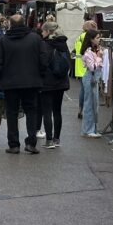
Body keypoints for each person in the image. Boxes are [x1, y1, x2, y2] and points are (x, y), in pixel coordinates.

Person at [0, 14, 45, 154]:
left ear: (10, 24)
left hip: (10, 82)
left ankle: (14, 144)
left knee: (11, 113)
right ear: (24, 23)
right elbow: (44, 60)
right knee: (31, 112)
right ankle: (31, 142)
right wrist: (40, 76)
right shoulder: (35, 39)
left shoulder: (4, 40)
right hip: (31, 82)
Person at [39, 21, 70, 149]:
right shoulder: (64, 44)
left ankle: (49, 140)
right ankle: (57, 139)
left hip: (47, 82)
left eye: (42, 31)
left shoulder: (45, 45)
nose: (41, 33)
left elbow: (42, 63)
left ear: (47, 32)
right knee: (57, 111)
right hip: (61, 82)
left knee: (47, 111)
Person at [80, 30, 104, 138]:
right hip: (90, 77)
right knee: (89, 104)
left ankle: (93, 129)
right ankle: (88, 130)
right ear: (91, 39)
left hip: (95, 78)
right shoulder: (88, 52)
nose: (99, 40)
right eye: (97, 38)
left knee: (95, 104)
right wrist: (99, 57)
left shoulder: (95, 50)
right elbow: (92, 67)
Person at [74, 20, 96, 120]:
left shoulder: (79, 36)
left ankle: (80, 109)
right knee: (86, 90)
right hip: (85, 65)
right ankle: (84, 110)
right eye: (94, 26)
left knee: (83, 89)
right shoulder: (87, 37)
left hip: (79, 65)